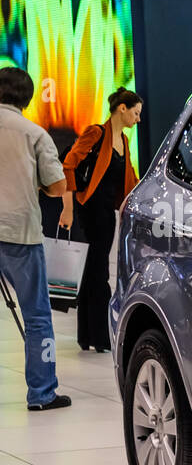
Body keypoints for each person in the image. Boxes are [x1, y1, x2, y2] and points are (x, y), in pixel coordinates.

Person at [0, 67, 72, 410]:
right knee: (37, 316)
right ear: (27, 99)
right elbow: (58, 186)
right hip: (20, 234)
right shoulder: (34, 133)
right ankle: (42, 394)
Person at [60, 87, 141, 352]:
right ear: (122, 109)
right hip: (91, 211)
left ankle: (88, 336)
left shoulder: (125, 142)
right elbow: (68, 165)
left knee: (94, 271)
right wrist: (68, 208)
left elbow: (130, 179)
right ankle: (101, 337)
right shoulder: (97, 133)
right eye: (136, 112)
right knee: (99, 271)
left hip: (107, 212)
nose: (138, 119)